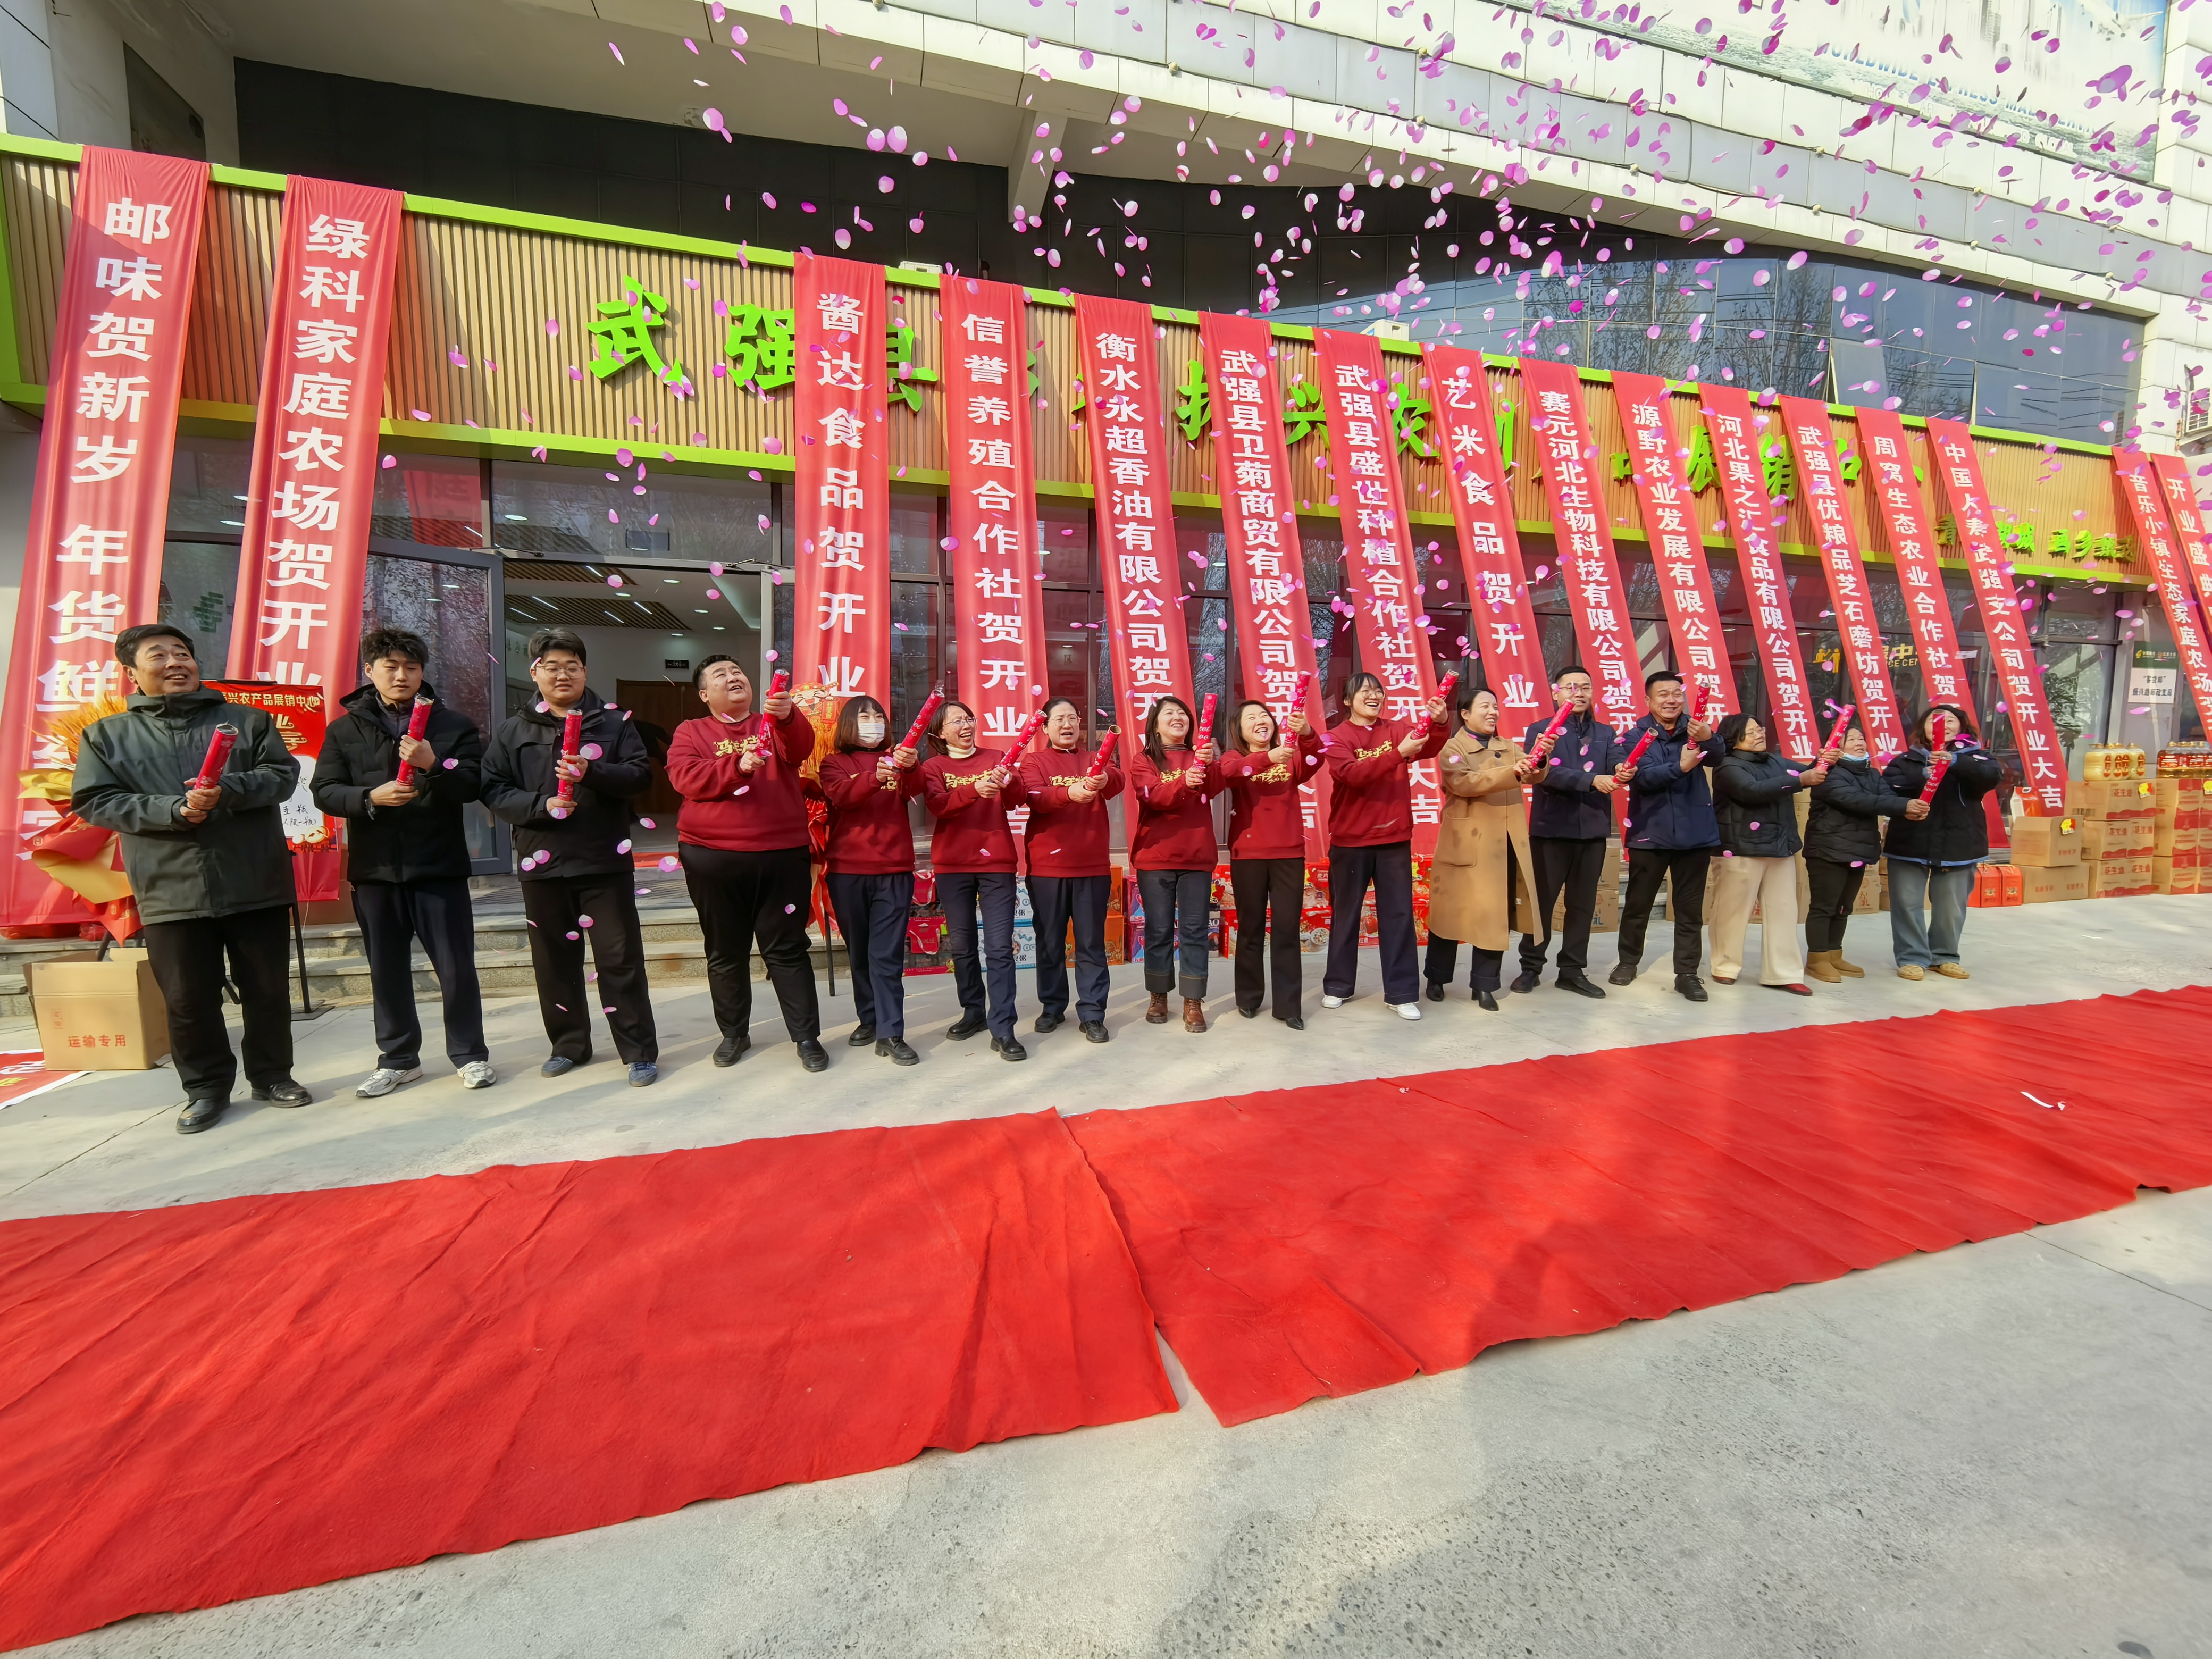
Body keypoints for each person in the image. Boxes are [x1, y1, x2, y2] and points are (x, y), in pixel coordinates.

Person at [73, 623, 309, 1134]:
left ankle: (273, 1076)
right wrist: (173, 810)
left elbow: (281, 776)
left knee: (267, 990)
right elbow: (96, 801)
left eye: (182, 652)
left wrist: (226, 790)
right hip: (169, 888)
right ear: (132, 673)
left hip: (253, 879)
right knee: (186, 998)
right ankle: (205, 1089)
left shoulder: (248, 721)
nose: (175, 662)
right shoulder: (107, 736)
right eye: (158, 655)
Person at [311, 627, 493, 1097]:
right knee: (386, 969)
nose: (401, 676)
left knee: (456, 967)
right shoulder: (344, 729)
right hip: (375, 871)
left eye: (411, 667)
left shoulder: (453, 725)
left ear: (422, 672)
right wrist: (370, 797)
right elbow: (324, 791)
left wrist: (435, 764)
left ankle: (470, 1054)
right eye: (390, 667)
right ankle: (398, 1059)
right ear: (369, 671)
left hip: (439, 867)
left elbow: (472, 785)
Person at [482, 627, 660, 1085]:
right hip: (542, 864)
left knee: (619, 960)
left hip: (603, 862)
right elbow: (493, 789)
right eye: (552, 667)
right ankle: (569, 1045)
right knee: (554, 964)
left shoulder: (614, 723)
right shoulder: (514, 730)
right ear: (534, 672)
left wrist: (591, 771)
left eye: (572, 666)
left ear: (585, 671)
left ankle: (638, 1050)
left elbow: (640, 776)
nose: (563, 675)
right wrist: (541, 806)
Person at [665, 655, 826, 1071]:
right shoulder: (691, 731)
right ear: (705, 695)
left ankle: (807, 1037)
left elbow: (800, 749)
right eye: (721, 675)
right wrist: (735, 765)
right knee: (725, 951)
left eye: (737, 672)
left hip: (781, 854)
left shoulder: (772, 723)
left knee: (788, 949)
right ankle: (734, 1034)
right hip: (712, 856)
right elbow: (685, 778)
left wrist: (787, 717)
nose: (733, 677)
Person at [1320, 672, 1449, 1019]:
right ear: (1347, 700)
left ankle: (1402, 992)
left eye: (1378, 691)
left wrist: (1440, 723)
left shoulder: (1395, 730)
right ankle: (1338, 986)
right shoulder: (1336, 737)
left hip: (1394, 838)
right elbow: (1352, 775)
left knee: (1398, 915)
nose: (1374, 695)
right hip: (1350, 840)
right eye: (1364, 691)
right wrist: (1398, 754)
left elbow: (1428, 745)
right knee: (1346, 915)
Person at [813, 694, 923, 1065]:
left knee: (886, 955)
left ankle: (891, 1033)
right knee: (860, 952)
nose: (874, 723)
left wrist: (911, 765)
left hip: (893, 870)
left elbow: (917, 788)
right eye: (864, 717)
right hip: (848, 872)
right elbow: (843, 797)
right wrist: (875, 777)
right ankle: (870, 1018)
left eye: (878, 716)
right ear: (848, 724)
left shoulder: (898, 761)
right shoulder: (834, 763)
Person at [921, 699, 1029, 1059]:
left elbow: (1016, 800)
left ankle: (1004, 1028)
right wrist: (973, 790)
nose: (966, 726)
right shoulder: (934, 767)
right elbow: (938, 806)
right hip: (953, 865)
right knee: (963, 945)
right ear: (939, 733)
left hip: (996, 862)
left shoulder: (997, 757)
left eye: (969, 719)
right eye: (956, 721)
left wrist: (1009, 780)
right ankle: (973, 1011)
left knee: (999, 948)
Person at [1425, 684, 1540, 1011]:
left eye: (1495, 707)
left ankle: (1485, 985)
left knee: (1494, 917)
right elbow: (1463, 782)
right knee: (1450, 916)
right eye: (1485, 707)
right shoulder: (1453, 748)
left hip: (1502, 845)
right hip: (1466, 844)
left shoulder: (1509, 747)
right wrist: (1511, 772)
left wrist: (1540, 758)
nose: (1493, 712)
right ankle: (1437, 978)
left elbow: (1534, 774)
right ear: (1465, 714)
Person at [1613, 670, 1725, 1002]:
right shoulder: (1636, 737)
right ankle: (1628, 962)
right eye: (1663, 694)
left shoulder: (1697, 729)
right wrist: (1682, 767)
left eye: (1677, 694)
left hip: (1696, 833)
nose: (1672, 700)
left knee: (1689, 910)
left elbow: (1719, 757)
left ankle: (1687, 974)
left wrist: (1708, 737)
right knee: (1638, 905)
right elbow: (1644, 778)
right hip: (1650, 832)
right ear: (1648, 700)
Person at [1213, 696, 1322, 1026]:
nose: (1260, 721)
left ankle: (1289, 1007)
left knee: (1287, 930)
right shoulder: (1235, 757)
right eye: (1251, 718)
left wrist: (1307, 734)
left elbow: (1316, 758)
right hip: (1249, 855)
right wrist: (1268, 757)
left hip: (1289, 853)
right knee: (1251, 928)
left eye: (1264, 716)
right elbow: (1228, 773)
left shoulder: (1290, 756)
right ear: (1239, 730)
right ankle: (1248, 998)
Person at [1018, 699, 1122, 1044]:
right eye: (1058, 719)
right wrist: (1069, 793)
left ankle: (1092, 1012)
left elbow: (1118, 782)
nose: (1067, 724)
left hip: (1092, 865)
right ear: (1045, 728)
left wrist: (1105, 777)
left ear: (1080, 723)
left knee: (1091, 942)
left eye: (1072, 718)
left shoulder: (1095, 758)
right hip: (1048, 867)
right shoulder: (1035, 761)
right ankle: (1052, 1006)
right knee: (1050, 941)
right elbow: (1035, 796)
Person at [1514, 665, 1618, 999]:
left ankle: (1572, 971)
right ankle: (1531, 968)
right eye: (1571, 687)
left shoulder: (1606, 732)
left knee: (1582, 905)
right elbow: (1544, 773)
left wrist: (1623, 768)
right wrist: (1592, 780)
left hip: (1593, 831)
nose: (1579, 693)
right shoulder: (1541, 731)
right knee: (1542, 904)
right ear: (1556, 692)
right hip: (1551, 830)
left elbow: (1616, 761)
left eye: (1585, 687)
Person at [1881, 703, 2004, 982]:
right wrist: (1922, 776)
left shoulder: (1977, 757)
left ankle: (1944, 956)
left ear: (1961, 727)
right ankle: (1912, 958)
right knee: (1906, 904)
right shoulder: (1907, 760)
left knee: (1951, 907)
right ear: (1923, 728)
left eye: (1950, 720)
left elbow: (1991, 776)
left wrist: (1955, 762)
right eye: (1934, 721)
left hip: (1959, 843)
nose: (1942, 725)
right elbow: (1887, 789)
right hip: (1909, 842)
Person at [1707, 713, 1828, 994]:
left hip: (1780, 846)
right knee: (1732, 910)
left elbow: (1807, 773)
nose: (1760, 734)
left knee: (1784, 911)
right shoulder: (1727, 764)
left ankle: (1783, 972)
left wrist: (1824, 761)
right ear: (1734, 738)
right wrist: (1802, 780)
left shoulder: (1775, 760)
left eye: (1760, 729)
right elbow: (1752, 791)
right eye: (1751, 732)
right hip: (1741, 847)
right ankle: (1725, 966)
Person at [1125, 693, 1221, 1032]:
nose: (1178, 717)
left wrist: (1210, 762)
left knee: (1195, 929)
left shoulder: (1201, 755)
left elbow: (1216, 787)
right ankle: (1158, 995)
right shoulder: (1144, 760)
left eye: (1182, 713)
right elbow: (1152, 796)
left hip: (1197, 855)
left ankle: (1193, 1000)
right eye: (1169, 713)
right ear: (1155, 724)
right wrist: (1185, 780)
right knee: (1159, 929)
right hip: (1156, 856)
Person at [1804, 722, 1926, 982]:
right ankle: (1817, 958)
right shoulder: (1826, 773)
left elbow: (1886, 797)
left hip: (1858, 850)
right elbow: (1856, 800)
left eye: (1861, 738)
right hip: (1828, 849)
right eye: (1851, 739)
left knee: (1843, 907)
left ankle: (1834, 954)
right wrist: (1903, 806)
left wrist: (1908, 808)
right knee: (1824, 907)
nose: (1860, 743)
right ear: (1835, 747)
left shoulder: (1871, 773)